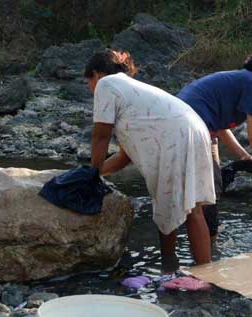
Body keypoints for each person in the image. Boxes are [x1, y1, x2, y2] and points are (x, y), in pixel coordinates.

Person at [85, 49, 215, 268]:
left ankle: (168, 267)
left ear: (96, 74)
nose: (90, 89)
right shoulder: (133, 93)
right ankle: (206, 271)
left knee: (165, 202)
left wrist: (89, 174)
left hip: (175, 135)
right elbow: (124, 157)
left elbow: (101, 136)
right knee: (193, 207)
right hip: (195, 129)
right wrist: (96, 173)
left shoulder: (106, 84)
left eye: (88, 82)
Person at [177, 49, 252, 241]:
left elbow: (220, 126)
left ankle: (205, 239)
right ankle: (207, 252)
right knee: (207, 192)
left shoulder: (242, 80)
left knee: (208, 189)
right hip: (190, 128)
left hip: (188, 125)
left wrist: (242, 155)